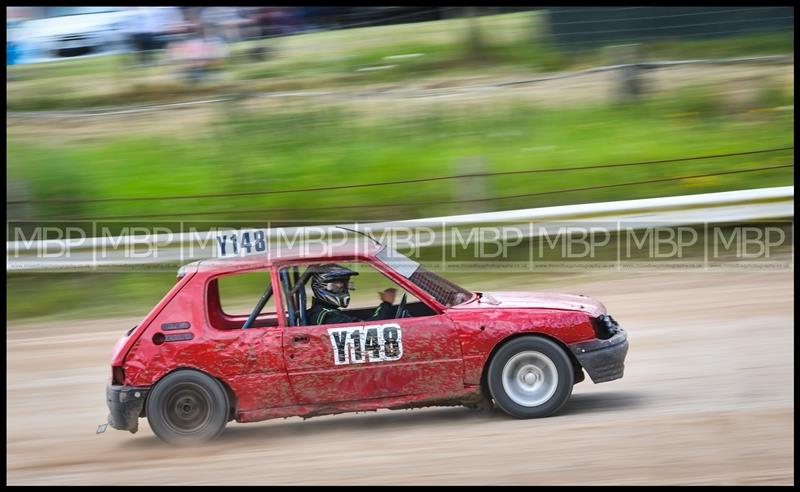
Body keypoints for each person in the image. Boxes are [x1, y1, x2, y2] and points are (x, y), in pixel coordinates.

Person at [307, 264, 398, 325]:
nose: (342, 286)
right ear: (323, 285)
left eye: (344, 282)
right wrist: (386, 304)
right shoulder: (327, 315)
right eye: (337, 282)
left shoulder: (322, 311)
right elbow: (367, 328)